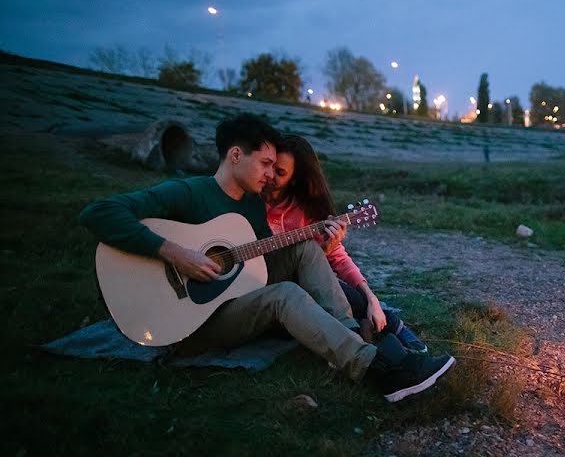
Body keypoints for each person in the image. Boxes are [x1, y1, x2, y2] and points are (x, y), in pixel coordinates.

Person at [79, 113, 454, 402]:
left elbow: (261, 265)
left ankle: (355, 340)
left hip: (232, 300)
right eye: (264, 164)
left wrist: (322, 244)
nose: (270, 176)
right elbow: (98, 212)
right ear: (235, 155)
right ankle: (381, 370)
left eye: (275, 168)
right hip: (186, 325)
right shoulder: (189, 192)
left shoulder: (253, 209)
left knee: (303, 246)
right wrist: (176, 254)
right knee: (284, 296)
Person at [262, 133, 429, 353]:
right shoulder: (251, 197)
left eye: (280, 172)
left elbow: (337, 259)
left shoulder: (304, 210)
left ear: (294, 178)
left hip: (298, 285)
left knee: (337, 289)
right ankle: (368, 330)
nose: (269, 175)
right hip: (260, 284)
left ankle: (385, 323)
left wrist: (371, 297)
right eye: (270, 166)